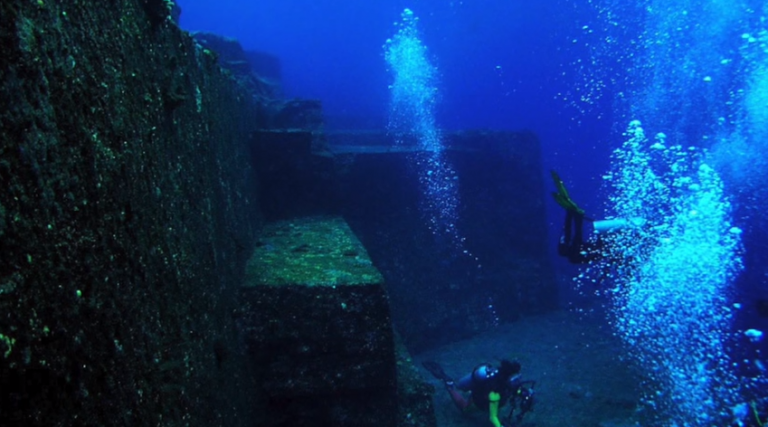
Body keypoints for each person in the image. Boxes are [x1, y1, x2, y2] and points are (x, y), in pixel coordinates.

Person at [550, 170, 645, 264]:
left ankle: (633, 235)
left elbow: (570, 233)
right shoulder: (575, 255)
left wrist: (572, 215)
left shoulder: (575, 255)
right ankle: (634, 235)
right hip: (605, 246)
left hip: (606, 246)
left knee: (618, 244)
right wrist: (573, 215)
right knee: (618, 243)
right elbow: (572, 233)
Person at [423, 359, 535, 427]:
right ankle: (450, 385)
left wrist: (523, 393)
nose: (518, 382)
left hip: (484, 390)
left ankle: (462, 386)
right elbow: (493, 416)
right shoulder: (495, 393)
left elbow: (514, 389)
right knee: (464, 408)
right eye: (516, 379)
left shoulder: (505, 381)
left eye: (518, 378)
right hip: (478, 399)